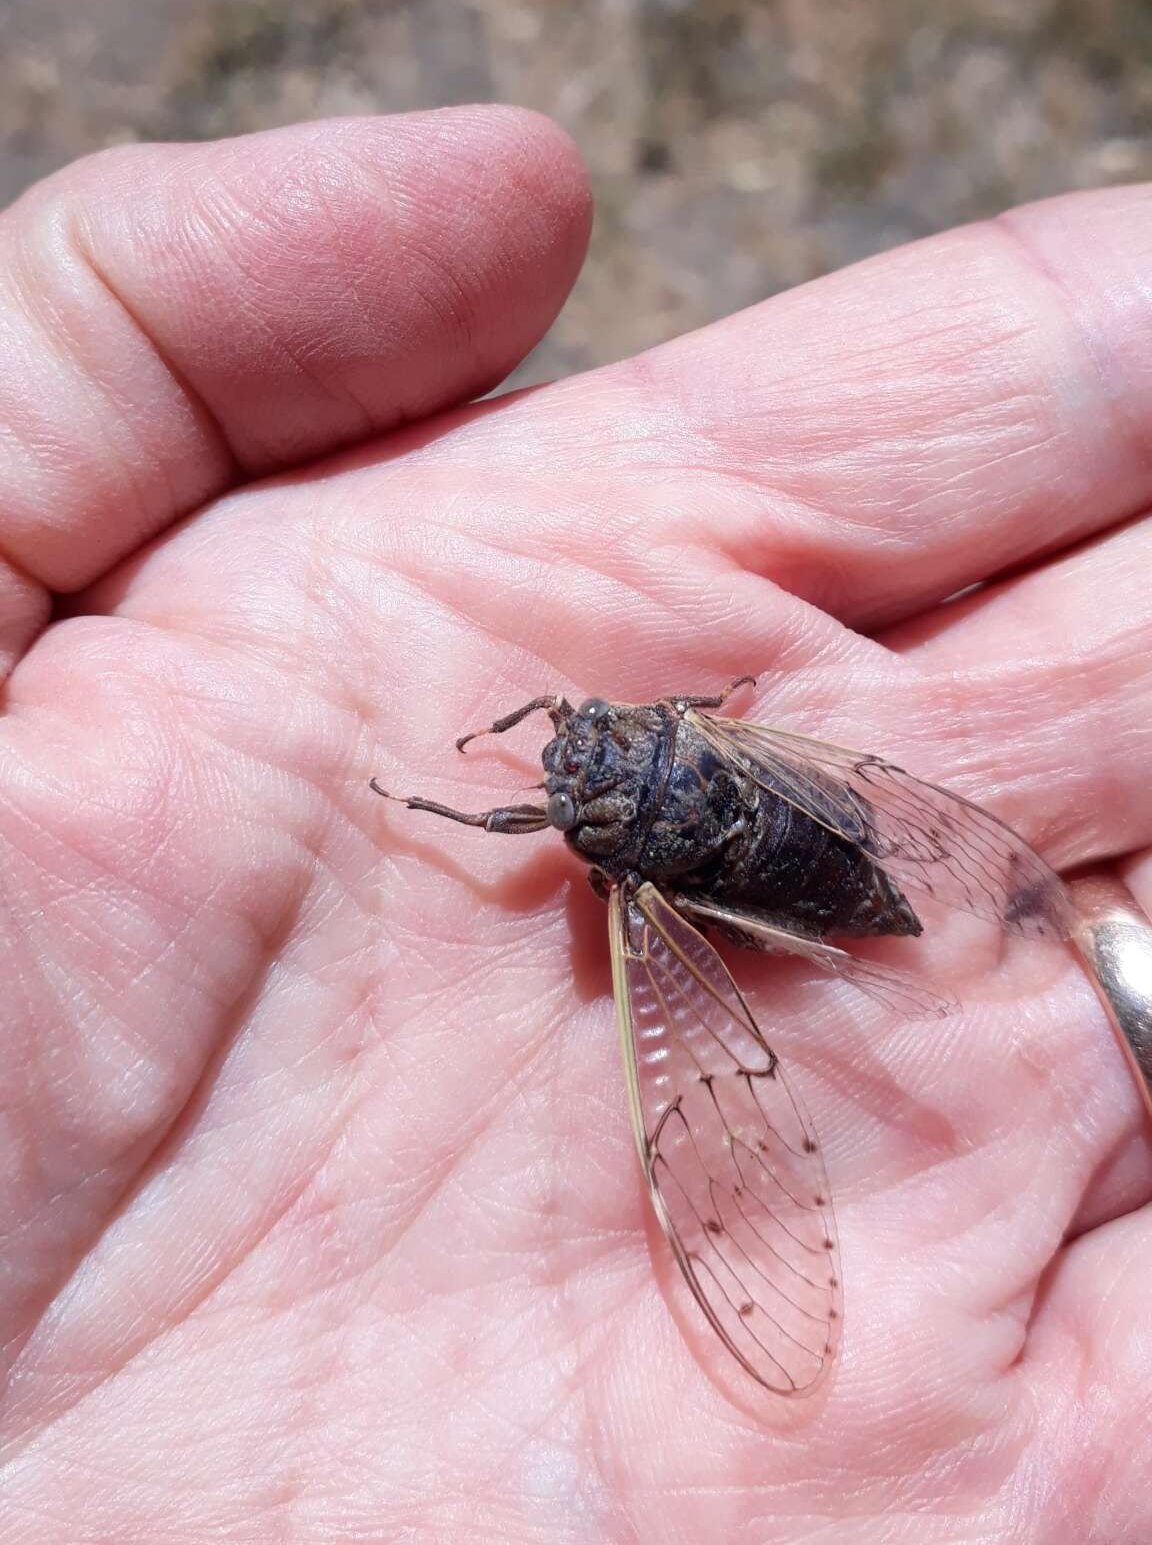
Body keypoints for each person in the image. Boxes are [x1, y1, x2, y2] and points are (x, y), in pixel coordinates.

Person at [0, 104, 1149, 1543]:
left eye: (574, 761)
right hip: (751, 803)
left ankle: (943, 910)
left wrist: (443, 794)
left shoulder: (628, 850)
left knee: (711, 1073)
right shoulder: (646, 771)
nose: (563, 762)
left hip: (781, 831)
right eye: (563, 770)